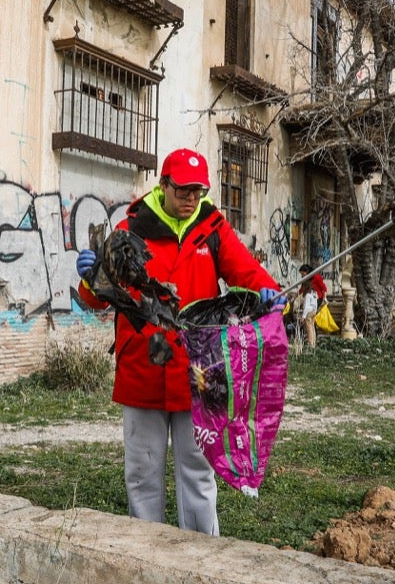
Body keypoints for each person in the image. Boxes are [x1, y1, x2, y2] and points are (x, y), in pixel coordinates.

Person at [75, 149, 283, 535]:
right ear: (164, 185)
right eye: (184, 190)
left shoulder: (212, 227)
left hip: (199, 373)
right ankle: (147, 555)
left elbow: (247, 272)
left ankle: (202, 556)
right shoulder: (130, 230)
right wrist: (91, 276)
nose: (192, 199)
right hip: (142, 370)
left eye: (199, 191)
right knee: (141, 473)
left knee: (199, 473)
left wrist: (270, 294)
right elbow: (94, 298)